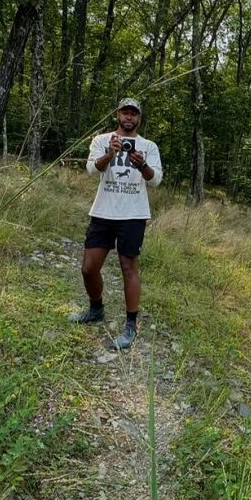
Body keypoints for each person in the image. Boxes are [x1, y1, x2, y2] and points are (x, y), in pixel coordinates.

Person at [68, 97, 162, 350]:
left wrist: (142, 164)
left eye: (134, 113)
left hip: (133, 214)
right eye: (125, 112)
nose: (129, 117)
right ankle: (96, 308)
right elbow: (91, 169)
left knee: (128, 267)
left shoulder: (149, 146)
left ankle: (131, 324)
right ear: (117, 115)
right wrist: (110, 153)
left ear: (139, 118)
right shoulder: (102, 140)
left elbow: (155, 180)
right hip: (103, 211)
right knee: (88, 268)